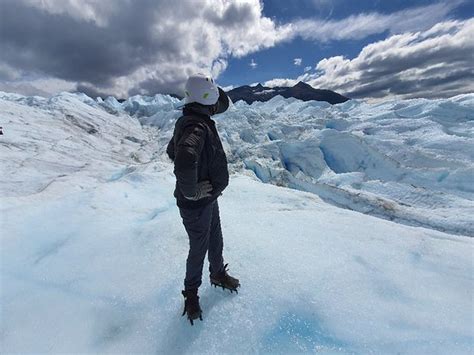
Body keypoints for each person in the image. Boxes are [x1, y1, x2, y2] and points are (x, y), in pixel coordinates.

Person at [166, 73, 240, 325]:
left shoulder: (191, 119)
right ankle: (191, 293)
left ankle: (218, 273)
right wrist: (191, 190)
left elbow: (171, 150)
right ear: (206, 99)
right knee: (198, 248)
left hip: (208, 199)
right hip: (196, 203)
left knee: (215, 237)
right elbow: (185, 156)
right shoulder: (196, 126)